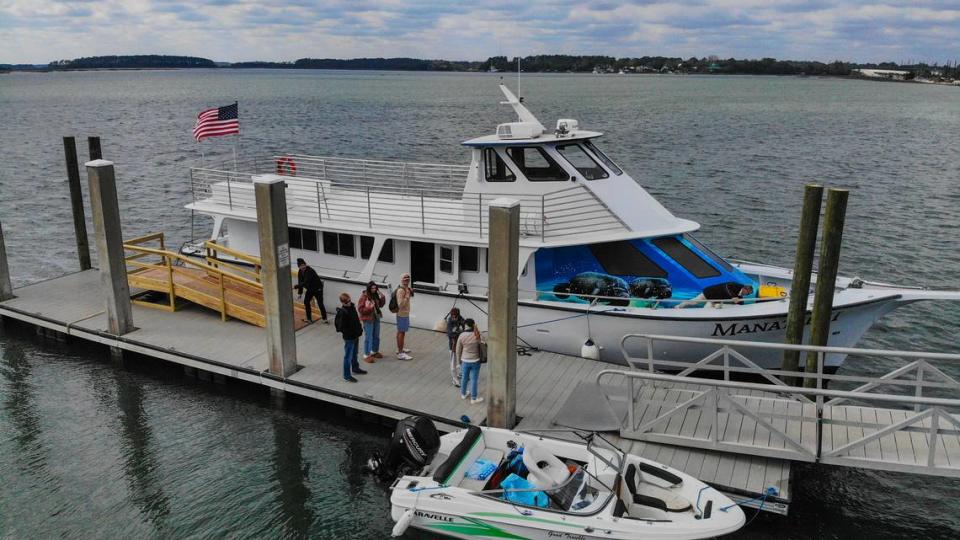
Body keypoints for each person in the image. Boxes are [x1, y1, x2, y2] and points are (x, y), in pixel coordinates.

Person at [334, 292, 366, 382]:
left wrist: (359, 330)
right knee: (348, 356)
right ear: (342, 302)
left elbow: (356, 320)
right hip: (349, 337)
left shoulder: (352, 307)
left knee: (355, 353)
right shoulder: (343, 312)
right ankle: (346, 375)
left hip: (355, 335)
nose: (348, 303)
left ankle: (355, 368)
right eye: (346, 302)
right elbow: (340, 327)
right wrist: (349, 332)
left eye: (349, 300)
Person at [455, 318, 484, 404]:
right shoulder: (477, 335)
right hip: (476, 360)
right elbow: (483, 343)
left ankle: (463, 394)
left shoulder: (462, 335)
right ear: (473, 325)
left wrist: (458, 362)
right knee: (474, 379)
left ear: (466, 325)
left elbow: (458, 350)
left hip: (465, 360)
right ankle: (473, 398)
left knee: (464, 378)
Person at [357, 281, 386, 364]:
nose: (374, 290)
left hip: (376, 317)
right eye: (372, 288)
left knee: (376, 335)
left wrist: (382, 296)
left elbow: (380, 305)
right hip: (368, 319)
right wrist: (369, 308)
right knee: (368, 337)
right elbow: (360, 309)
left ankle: (374, 351)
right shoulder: (364, 297)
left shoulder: (375, 295)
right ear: (369, 288)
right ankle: (366, 354)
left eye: (375, 288)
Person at [295, 258, 328, 323]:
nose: (303, 266)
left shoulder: (310, 271)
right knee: (306, 302)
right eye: (301, 266)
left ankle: (325, 319)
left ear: (305, 264)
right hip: (310, 289)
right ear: (299, 266)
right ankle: (309, 319)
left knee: (320, 303)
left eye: (304, 265)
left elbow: (306, 282)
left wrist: (296, 286)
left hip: (318, 289)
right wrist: (300, 293)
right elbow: (300, 282)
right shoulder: (300, 272)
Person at [677, 282, 755, 308]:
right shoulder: (735, 285)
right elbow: (727, 287)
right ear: (745, 288)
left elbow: (740, 303)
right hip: (709, 293)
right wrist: (733, 296)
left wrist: (740, 305)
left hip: (715, 300)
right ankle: (678, 306)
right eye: (747, 292)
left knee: (707, 310)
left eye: (748, 294)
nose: (747, 294)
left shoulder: (740, 296)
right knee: (694, 302)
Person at [394, 273, 414, 360]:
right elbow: (400, 305)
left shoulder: (406, 289)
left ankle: (400, 349)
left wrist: (409, 292)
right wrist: (406, 296)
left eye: (408, 277)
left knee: (401, 332)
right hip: (402, 314)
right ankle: (400, 353)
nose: (407, 279)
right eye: (405, 278)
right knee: (401, 333)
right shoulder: (401, 291)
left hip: (404, 314)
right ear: (401, 280)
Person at [445, 307, 466, 387]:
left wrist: (457, 332)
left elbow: (465, 330)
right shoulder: (450, 322)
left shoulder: (462, 320)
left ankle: (461, 373)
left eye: (455, 316)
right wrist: (459, 332)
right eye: (452, 316)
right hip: (453, 346)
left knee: (462, 360)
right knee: (453, 363)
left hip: (461, 345)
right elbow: (449, 334)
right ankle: (455, 379)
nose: (453, 317)